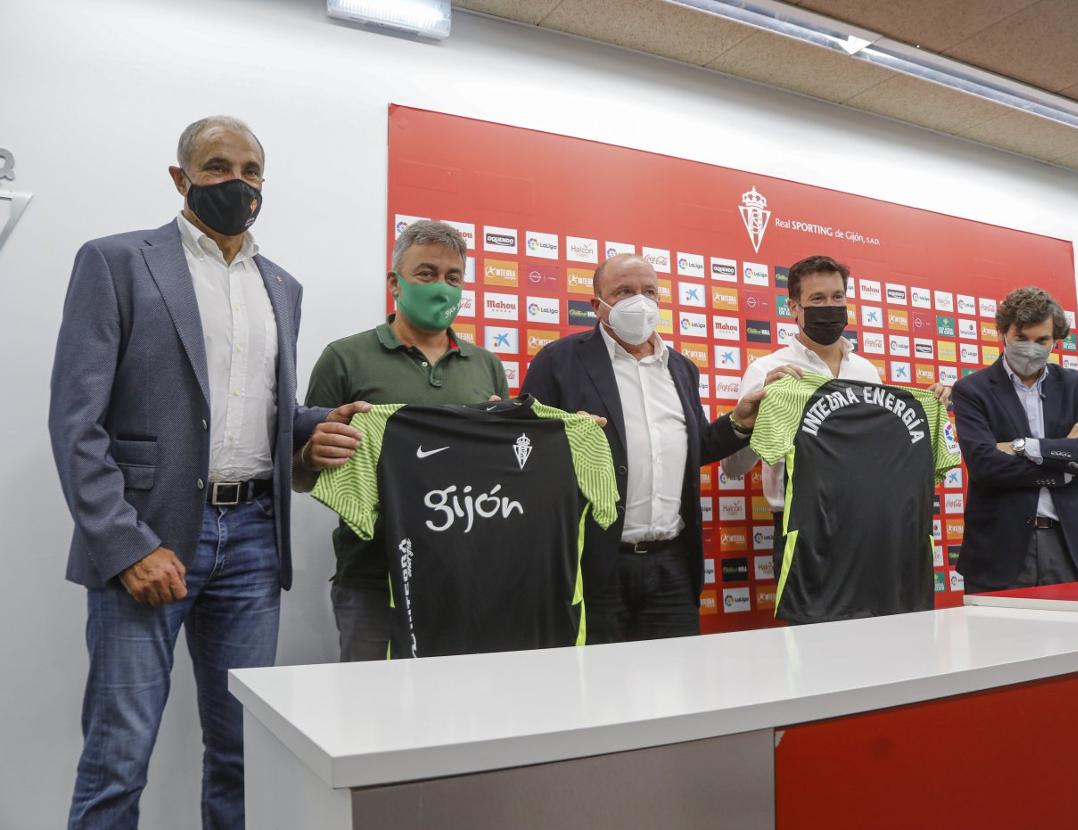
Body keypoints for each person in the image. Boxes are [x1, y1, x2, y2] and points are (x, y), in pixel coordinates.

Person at [49, 115, 367, 829]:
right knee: (118, 757)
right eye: (218, 166)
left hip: (254, 542)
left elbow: (258, 409)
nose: (237, 183)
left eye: (251, 171)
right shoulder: (118, 262)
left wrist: (312, 429)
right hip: (151, 537)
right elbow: (77, 421)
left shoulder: (282, 285)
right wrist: (128, 545)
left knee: (242, 754)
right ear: (180, 177)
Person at [521, 253, 790, 642]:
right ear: (597, 305)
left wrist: (740, 422)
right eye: (624, 291)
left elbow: (694, 444)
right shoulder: (559, 361)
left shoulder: (680, 367)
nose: (639, 301)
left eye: (649, 291)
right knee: (597, 691)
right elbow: (531, 452)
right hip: (594, 565)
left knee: (675, 688)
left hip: (672, 567)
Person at [298, 219, 508, 661]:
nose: (441, 287)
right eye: (426, 274)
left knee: (457, 708)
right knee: (369, 713)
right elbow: (300, 476)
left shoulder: (485, 366)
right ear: (395, 283)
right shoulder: (344, 358)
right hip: (371, 575)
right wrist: (310, 454)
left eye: (453, 277)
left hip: (464, 575)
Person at [721, 254, 950, 566]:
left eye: (837, 297)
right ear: (794, 308)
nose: (829, 306)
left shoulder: (867, 371)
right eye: (817, 298)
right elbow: (733, 469)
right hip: (801, 533)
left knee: (877, 618)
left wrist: (926, 412)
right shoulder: (767, 371)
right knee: (810, 619)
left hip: (867, 530)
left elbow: (881, 454)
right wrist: (757, 421)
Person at [952, 286, 1078, 593]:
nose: (1031, 348)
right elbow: (985, 466)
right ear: (1003, 333)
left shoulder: (1076, 386)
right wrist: (1065, 461)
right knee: (1000, 641)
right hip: (1000, 550)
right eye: (1021, 338)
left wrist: (1024, 447)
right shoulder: (972, 390)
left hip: (1069, 546)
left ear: (1055, 340)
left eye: (1042, 340)